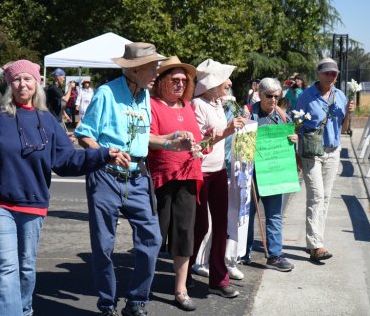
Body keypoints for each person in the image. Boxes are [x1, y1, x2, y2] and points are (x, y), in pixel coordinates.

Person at [0, 59, 129, 316]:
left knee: (26, 268)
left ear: (37, 83)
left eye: (28, 78)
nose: (22, 84)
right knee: (7, 268)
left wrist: (103, 155)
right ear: (9, 84)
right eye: (16, 79)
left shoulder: (48, 121)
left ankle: (25, 309)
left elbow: (66, 161)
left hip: (33, 205)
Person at [74, 42, 167, 316]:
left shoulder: (145, 96)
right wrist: (106, 153)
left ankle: (137, 301)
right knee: (103, 246)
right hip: (105, 177)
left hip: (138, 178)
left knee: (152, 240)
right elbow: (84, 134)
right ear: (135, 69)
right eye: (153, 68)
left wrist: (172, 142)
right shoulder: (105, 93)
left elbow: (143, 136)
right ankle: (107, 305)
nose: (156, 73)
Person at [147, 56, 202, 311]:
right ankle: (143, 286)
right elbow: (149, 139)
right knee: (154, 235)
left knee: (184, 234)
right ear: (162, 81)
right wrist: (171, 141)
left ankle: (181, 289)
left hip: (189, 176)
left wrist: (210, 139)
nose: (180, 84)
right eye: (174, 79)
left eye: (184, 80)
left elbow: (199, 143)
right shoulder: (153, 105)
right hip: (162, 177)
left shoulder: (187, 106)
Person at [189, 59, 245, 299]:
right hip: (200, 173)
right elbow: (197, 146)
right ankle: (185, 270)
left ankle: (219, 279)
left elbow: (218, 136)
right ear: (211, 84)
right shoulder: (197, 105)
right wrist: (227, 131)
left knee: (221, 226)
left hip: (219, 171)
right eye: (225, 79)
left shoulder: (218, 104)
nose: (229, 82)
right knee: (200, 227)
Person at [295, 58, 354, 262]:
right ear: (318, 73)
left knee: (326, 197)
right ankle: (316, 245)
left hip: (332, 150)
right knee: (317, 196)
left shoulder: (341, 96)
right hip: (311, 152)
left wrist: (348, 113)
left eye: (334, 73)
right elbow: (296, 124)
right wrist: (296, 153)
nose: (331, 76)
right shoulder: (306, 97)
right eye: (327, 72)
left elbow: (344, 128)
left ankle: (316, 239)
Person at [240, 77, 297, 271]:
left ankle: (275, 255)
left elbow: (290, 137)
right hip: (253, 173)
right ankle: (243, 252)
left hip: (274, 173)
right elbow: (238, 141)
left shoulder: (282, 115)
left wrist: (294, 138)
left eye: (276, 96)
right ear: (260, 95)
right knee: (248, 214)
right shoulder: (248, 113)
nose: (273, 100)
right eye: (269, 96)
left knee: (274, 215)